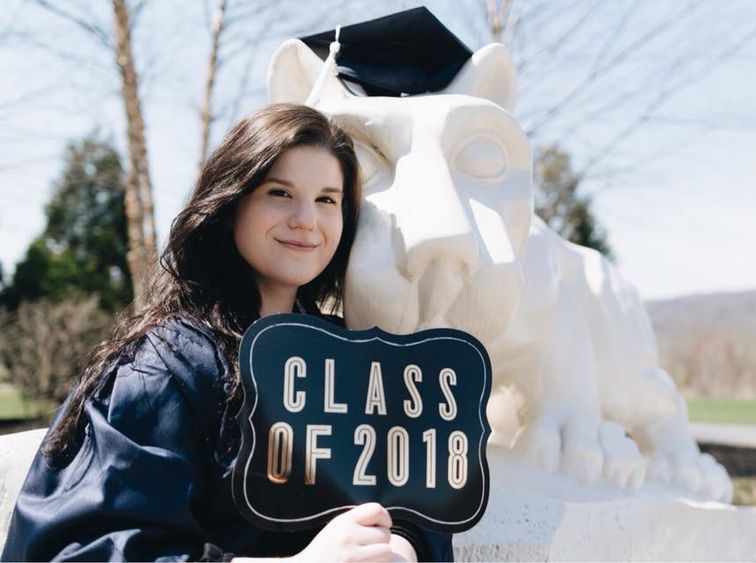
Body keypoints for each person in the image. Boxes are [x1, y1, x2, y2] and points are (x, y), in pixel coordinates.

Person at [1, 103, 454, 562]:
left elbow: (418, 499)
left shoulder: (348, 360)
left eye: (327, 199)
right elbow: (93, 550)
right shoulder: (166, 365)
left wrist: (402, 545)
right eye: (280, 193)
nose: (306, 219)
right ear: (231, 201)